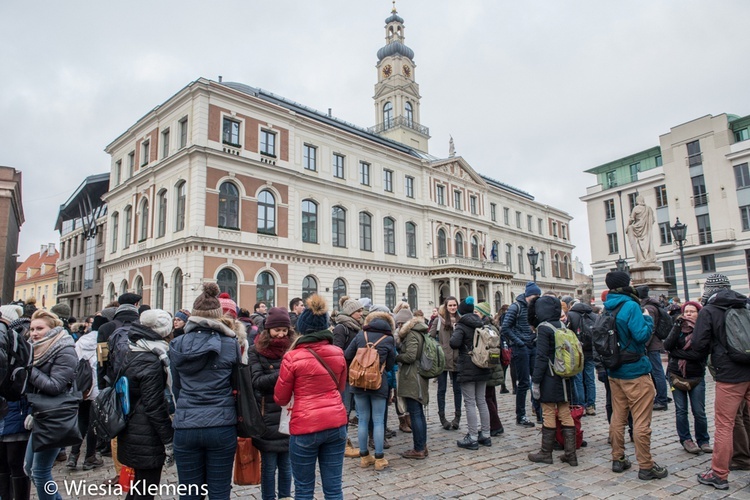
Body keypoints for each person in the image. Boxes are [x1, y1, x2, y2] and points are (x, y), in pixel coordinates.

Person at [169, 283, 242, 499]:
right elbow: (235, 383)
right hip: (221, 423)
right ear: (217, 316)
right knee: (219, 491)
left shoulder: (178, 343)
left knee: (190, 492)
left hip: (186, 424)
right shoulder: (230, 343)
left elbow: (176, 386)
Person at [274, 294, 348, 500]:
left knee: (304, 489)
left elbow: (280, 398)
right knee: (334, 488)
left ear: (302, 328)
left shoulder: (292, 356)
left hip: (305, 426)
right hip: (335, 423)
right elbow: (340, 387)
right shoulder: (337, 352)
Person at [602, 271, 667, 480]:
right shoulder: (630, 305)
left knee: (618, 417)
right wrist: (648, 320)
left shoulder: (607, 307)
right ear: (624, 284)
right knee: (640, 421)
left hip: (615, 371)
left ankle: (618, 458)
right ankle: (646, 466)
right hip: (635, 371)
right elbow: (641, 335)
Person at [692, 274, 750, 490]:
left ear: (709, 290)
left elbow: (699, 345)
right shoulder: (744, 304)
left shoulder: (709, 310)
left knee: (725, 425)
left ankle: (719, 474)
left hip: (729, 375)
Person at [118, 310, 174, 500]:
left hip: (132, 426)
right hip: (146, 433)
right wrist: (168, 439)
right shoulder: (152, 359)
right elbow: (154, 405)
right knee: (145, 490)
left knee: (138, 486)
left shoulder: (132, 348)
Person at [24, 310, 77, 500]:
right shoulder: (34, 349)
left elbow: (55, 386)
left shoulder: (64, 348)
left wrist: (29, 369)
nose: (34, 333)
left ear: (53, 329)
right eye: (32, 329)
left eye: (40, 328)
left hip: (56, 414)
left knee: (39, 471)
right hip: (40, 413)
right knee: (29, 468)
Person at [248, 307, 296, 500]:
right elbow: (257, 382)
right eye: (278, 330)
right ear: (268, 330)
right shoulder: (256, 350)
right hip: (266, 414)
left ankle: (285, 496)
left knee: (287, 465)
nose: (281, 334)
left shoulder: (293, 348)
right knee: (268, 466)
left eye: (285, 330)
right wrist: (285, 373)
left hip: (289, 413)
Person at [528, 296, 577, 466]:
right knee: (564, 412)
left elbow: (541, 357)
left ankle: (545, 453)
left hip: (549, 376)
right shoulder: (561, 325)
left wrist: (535, 381)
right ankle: (571, 454)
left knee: (548, 412)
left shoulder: (544, 328)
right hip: (564, 375)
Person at [344, 309, 396, 470]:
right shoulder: (388, 339)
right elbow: (391, 364)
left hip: (358, 381)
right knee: (378, 420)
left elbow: (347, 355)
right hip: (378, 383)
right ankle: (379, 459)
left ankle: (364, 456)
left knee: (363, 419)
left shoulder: (361, 335)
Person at [663, 300, 711, 455]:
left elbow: (699, 353)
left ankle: (703, 440)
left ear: (699, 313)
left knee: (699, 411)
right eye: (686, 311)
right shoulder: (677, 327)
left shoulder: (703, 330)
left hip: (696, 375)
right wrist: (677, 326)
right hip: (676, 374)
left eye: (692, 311)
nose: (688, 314)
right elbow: (667, 346)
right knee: (681, 410)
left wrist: (676, 353)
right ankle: (686, 440)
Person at [450, 297, 492, 450]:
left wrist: (456, 330)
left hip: (468, 366)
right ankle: (486, 434)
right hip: (482, 364)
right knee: (481, 400)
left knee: (469, 402)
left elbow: (453, 343)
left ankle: (473, 437)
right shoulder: (481, 323)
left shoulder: (462, 325)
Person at [67, 315, 105, 471]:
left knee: (81, 420)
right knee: (93, 423)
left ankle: (73, 455)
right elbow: (104, 365)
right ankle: (90, 456)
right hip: (97, 388)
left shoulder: (81, 340)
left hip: (82, 387)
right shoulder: (103, 341)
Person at [0, 305, 30, 500]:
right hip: (10, 407)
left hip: (15, 408)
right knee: (6, 463)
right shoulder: (11, 338)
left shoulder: (12, 340)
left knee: (14, 462)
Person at [501, 282, 542, 428]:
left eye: (538, 295)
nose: (537, 298)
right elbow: (505, 328)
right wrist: (519, 342)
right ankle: (521, 415)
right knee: (524, 383)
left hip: (532, 346)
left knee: (537, 380)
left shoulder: (535, 307)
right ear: (528, 295)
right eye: (535, 295)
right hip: (521, 348)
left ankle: (539, 412)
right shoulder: (515, 307)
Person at [332, 296, 364, 457]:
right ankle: (342, 442)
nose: (361, 313)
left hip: (356, 373)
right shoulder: (341, 328)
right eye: (359, 311)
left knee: (352, 408)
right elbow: (337, 352)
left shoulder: (358, 327)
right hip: (346, 375)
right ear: (351, 312)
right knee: (344, 409)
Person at [396, 312, 430, 459]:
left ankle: (419, 448)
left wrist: (397, 357)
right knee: (418, 412)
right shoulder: (421, 332)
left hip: (412, 376)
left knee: (415, 412)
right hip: (418, 375)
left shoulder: (412, 335)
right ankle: (422, 445)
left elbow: (410, 356)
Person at [429, 297, 462, 430]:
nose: (453, 307)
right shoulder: (438, 321)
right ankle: (442, 417)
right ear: (446, 306)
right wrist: (438, 348)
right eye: (450, 305)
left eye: (454, 305)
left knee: (457, 390)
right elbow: (430, 338)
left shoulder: (461, 320)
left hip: (457, 360)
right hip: (442, 359)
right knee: (441, 390)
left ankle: (457, 417)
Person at [637, 286, 669, 411]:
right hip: (653, 344)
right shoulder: (651, 305)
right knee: (656, 371)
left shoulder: (649, 308)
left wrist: (644, 344)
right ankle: (661, 396)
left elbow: (650, 328)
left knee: (657, 372)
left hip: (652, 345)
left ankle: (662, 399)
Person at [475, 301, 504, 436]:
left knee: (487, 397)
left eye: (477, 312)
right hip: (493, 364)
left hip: (489, 365)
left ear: (483, 314)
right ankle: (493, 424)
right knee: (491, 396)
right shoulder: (492, 327)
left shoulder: (486, 328)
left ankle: (495, 425)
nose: (474, 314)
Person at [566, 298, 598, 415]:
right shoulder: (593, 315)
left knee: (578, 379)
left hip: (577, 351)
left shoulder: (571, 315)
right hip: (590, 351)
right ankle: (591, 405)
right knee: (590, 379)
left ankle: (581, 406)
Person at [625, 195, 656, 264]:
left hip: (638, 229)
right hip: (646, 230)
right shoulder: (649, 209)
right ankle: (648, 257)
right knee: (647, 243)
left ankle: (641, 258)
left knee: (638, 243)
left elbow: (631, 219)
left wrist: (627, 227)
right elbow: (653, 220)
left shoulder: (636, 208)